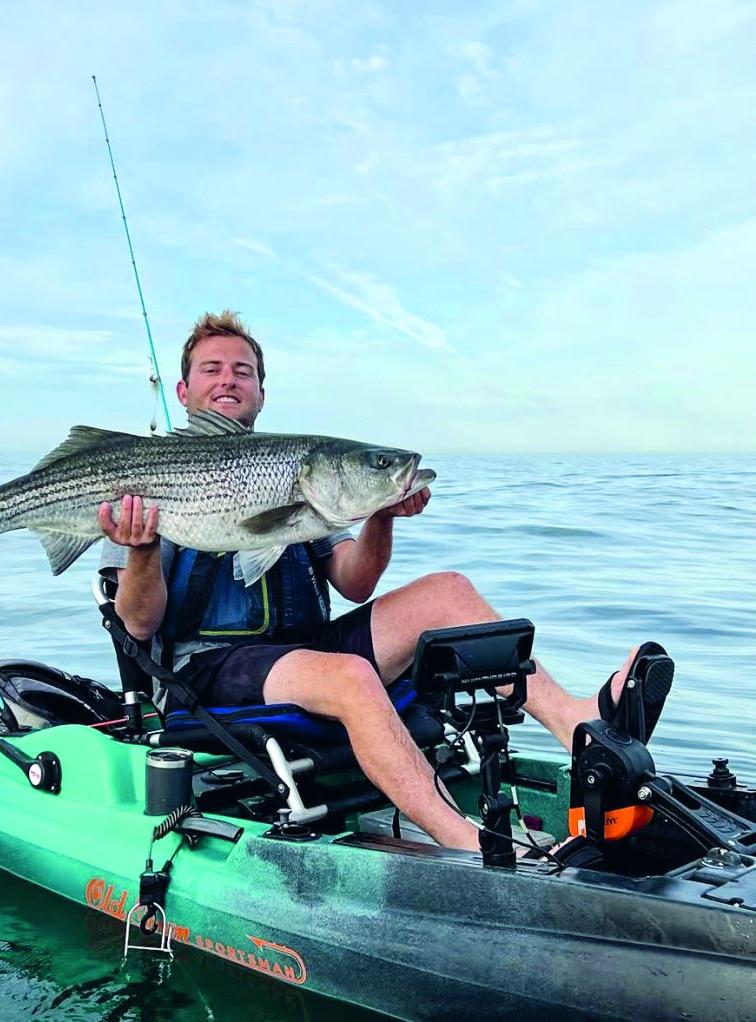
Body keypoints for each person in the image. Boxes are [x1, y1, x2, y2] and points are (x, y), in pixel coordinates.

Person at [97, 311, 663, 852]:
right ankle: (467, 841)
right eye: (212, 369)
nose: (228, 380)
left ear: (262, 393)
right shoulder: (147, 478)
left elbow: (355, 581)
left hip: (302, 655)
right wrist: (142, 549)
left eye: (243, 371)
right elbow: (139, 623)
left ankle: (581, 726)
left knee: (448, 591)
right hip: (209, 671)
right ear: (183, 391)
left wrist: (381, 512)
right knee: (351, 676)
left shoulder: (297, 471)